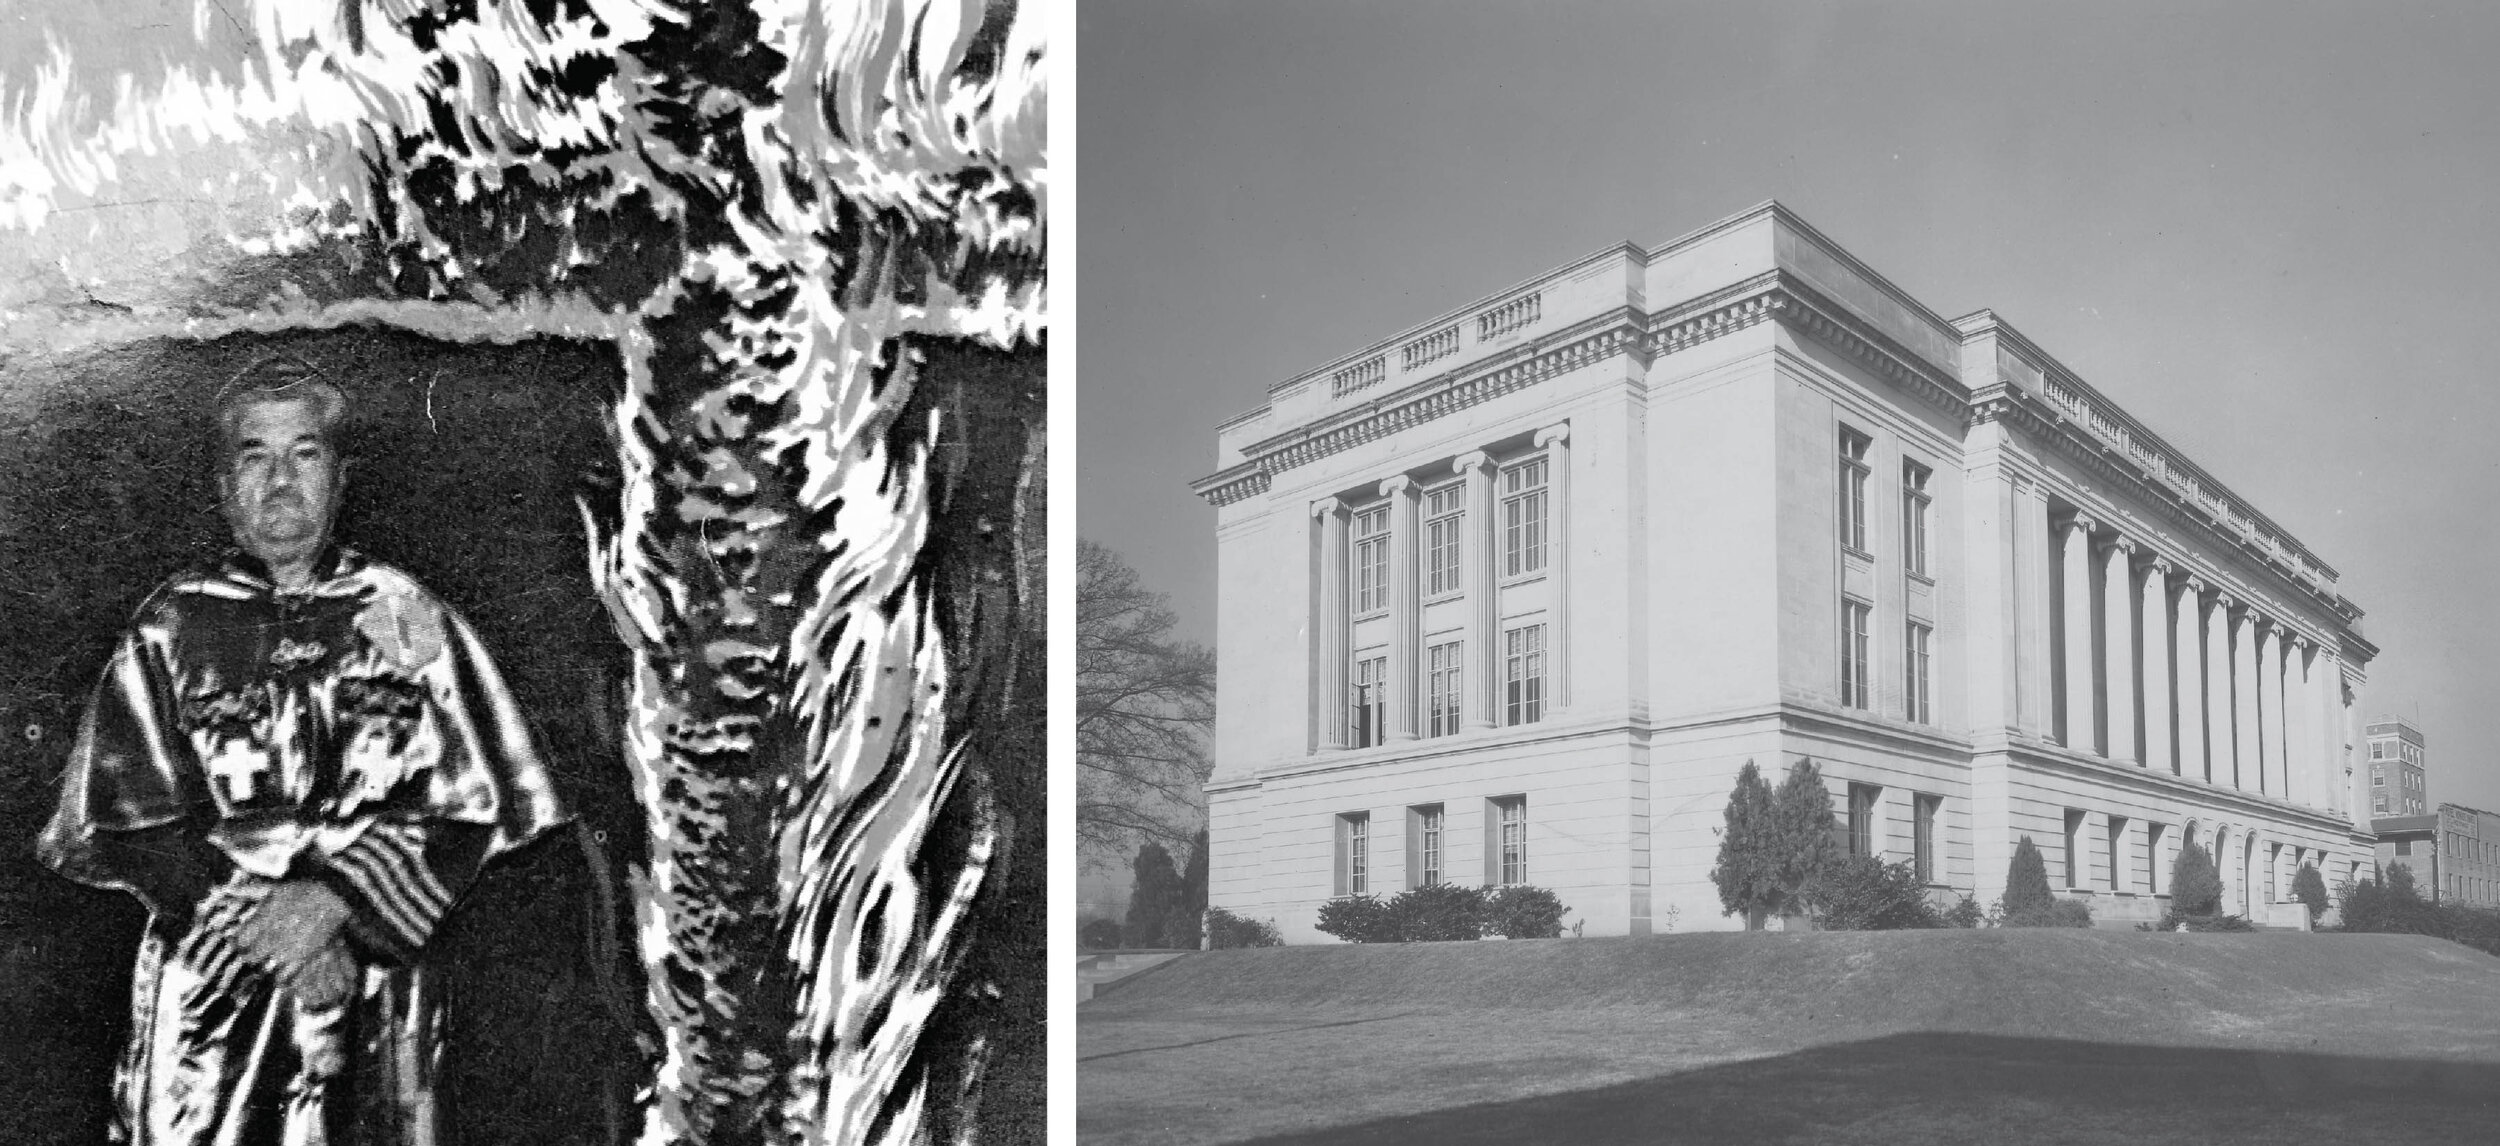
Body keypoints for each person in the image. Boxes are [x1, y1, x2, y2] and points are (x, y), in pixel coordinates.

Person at [37, 357, 570, 1146]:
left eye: (305, 454)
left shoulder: (406, 612)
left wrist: (333, 907)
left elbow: (470, 807)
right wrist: (273, 934)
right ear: (225, 487)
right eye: (256, 457)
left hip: (370, 972)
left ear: (339, 478)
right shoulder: (170, 626)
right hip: (216, 980)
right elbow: (131, 822)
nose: (281, 481)